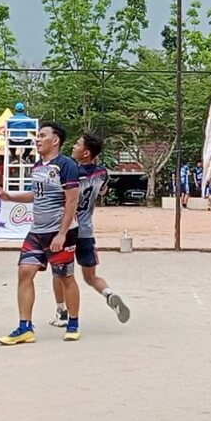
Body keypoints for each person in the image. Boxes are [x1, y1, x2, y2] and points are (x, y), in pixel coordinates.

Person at [0, 122, 82, 344]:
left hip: (60, 231)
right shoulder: (36, 167)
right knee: (25, 272)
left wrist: (62, 233)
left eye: (42, 135)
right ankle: (25, 327)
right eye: (38, 136)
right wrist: (9, 197)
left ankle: (73, 322)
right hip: (37, 231)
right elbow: (36, 196)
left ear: (55, 140)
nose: (37, 139)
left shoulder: (66, 165)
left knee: (65, 276)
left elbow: (72, 200)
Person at [49, 133, 131, 327]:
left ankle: (62, 312)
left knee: (60, 274)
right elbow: (103, 191)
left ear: (85, 153)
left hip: (67, 228)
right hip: (86, 230)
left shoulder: (70, 172)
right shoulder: (102, 173)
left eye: (77, 145)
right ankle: (108, 293)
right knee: (91, 276)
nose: (73, 147)